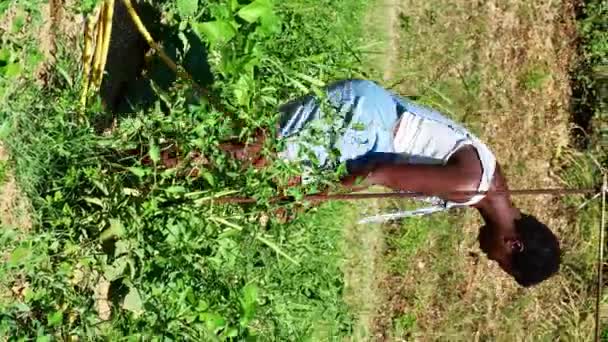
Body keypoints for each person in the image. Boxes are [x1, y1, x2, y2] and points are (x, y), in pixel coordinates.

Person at [219, 79, 561, 287]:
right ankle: (168, 157)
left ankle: (176, 155)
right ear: (513, 245)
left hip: (367, 125)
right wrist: (308, 200)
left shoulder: (492, 181)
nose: (490, 259)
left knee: (259, 162)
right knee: (255, 157)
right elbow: (379, 172)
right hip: (362, 121)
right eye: (501, 262)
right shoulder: (471, 187)